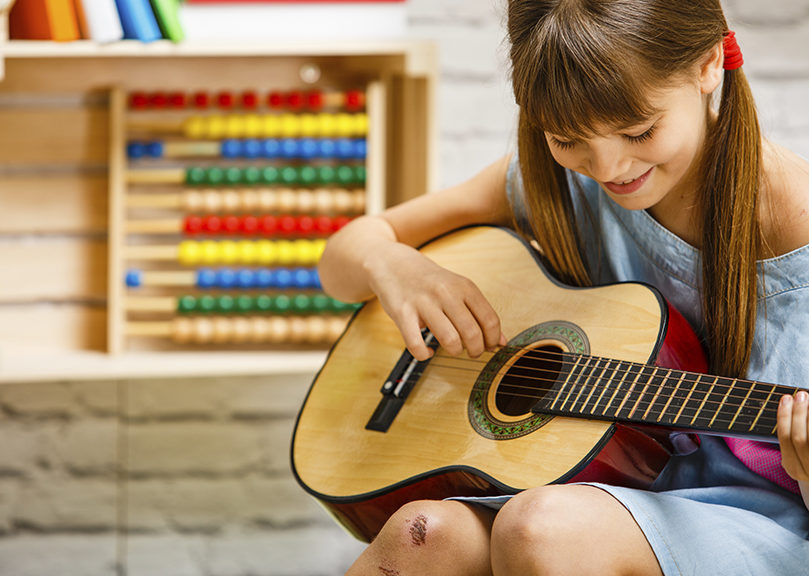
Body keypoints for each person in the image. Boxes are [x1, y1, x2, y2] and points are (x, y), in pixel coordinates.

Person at [317, 0, 809, 574]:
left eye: (639, 130)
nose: (608, 169)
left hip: (762, 518)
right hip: (609, 482)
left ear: (708, 65)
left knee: (542, 530)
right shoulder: (556, 182)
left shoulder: (793, 221)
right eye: (568, 138)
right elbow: (341, 261)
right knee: (423, 534)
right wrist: (395, 264)